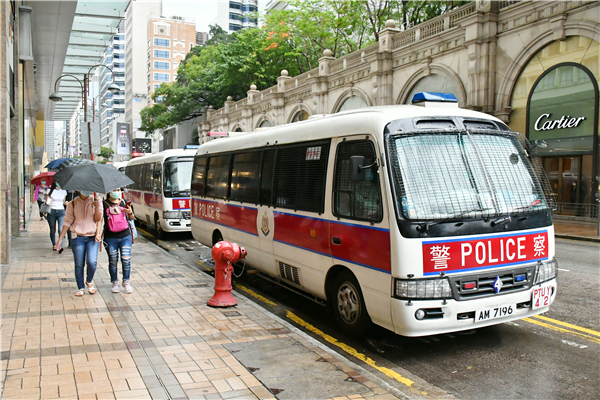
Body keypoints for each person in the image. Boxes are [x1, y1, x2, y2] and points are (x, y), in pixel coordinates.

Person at [56, 191, 103, 296]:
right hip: (77, 237)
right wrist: (60, 239)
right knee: (79, 263)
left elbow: (98, 219)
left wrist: (96, 207)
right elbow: (67, 221)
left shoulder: (97, 200)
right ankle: (80, 288)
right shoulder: (73, 203)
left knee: (92, 261)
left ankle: (89, 281)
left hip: (92, 237)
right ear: (78, 190)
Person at [102, 189, 135, 294]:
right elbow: (98, 219)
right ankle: (115, 283)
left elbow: (132, 218)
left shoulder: (124, 202)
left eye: (118, 190)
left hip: (125, 236)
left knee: (126, 259)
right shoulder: (103, 204)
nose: (116, 192)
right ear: (109, 191)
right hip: (110, 237)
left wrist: (130, 212)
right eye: (114, 190)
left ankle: (126, 282)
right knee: (113, 260)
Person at [46, 181, 68, 250]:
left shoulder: (64, 191)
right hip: (51, 211)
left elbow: (63, 201)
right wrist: (48, 201)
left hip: (61, 211)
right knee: (53, 229)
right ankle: (54, 244)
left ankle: (60, 245)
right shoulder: (49, 191)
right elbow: (47, 201)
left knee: (61, 229)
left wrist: (66, 203)